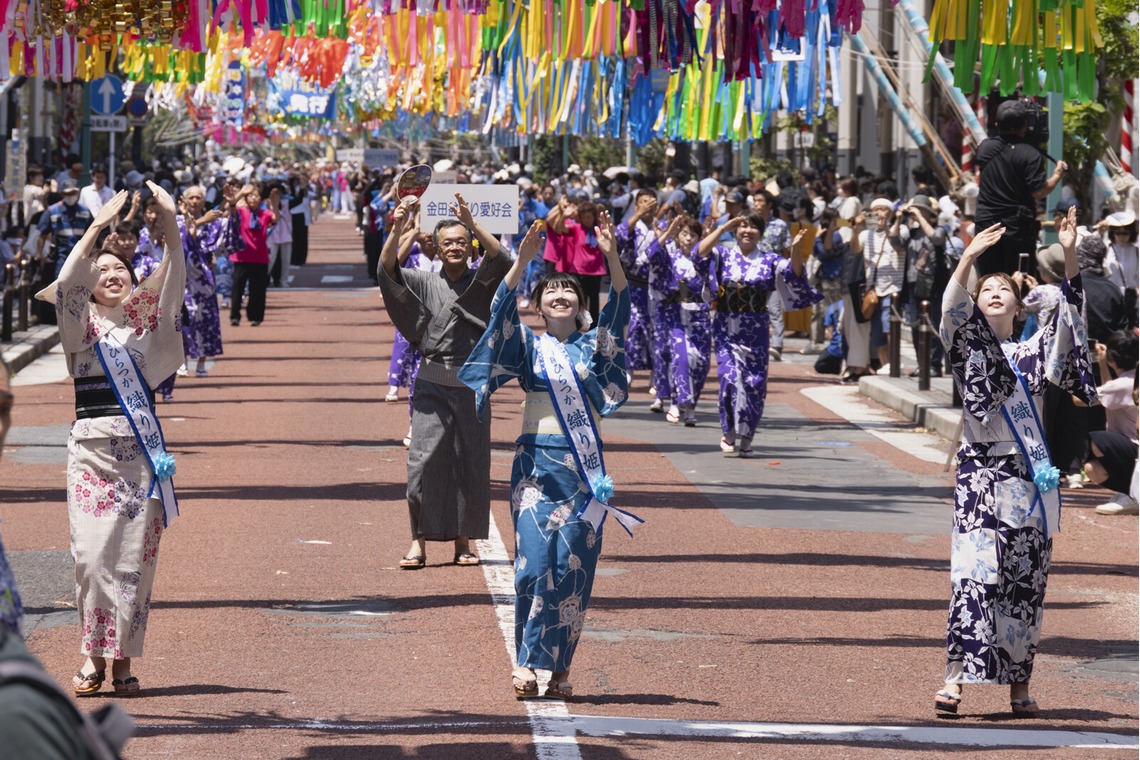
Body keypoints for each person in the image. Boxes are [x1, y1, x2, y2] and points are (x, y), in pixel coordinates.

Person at [458, 214, 638, 701]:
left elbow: (621, 307)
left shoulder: (594, 349)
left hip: (584, 475)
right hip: (535, 469)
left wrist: (612, 256)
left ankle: (559, 668)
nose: (560, 296)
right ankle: (525, 661)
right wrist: (521, 262)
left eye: (570, 291)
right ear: (537, 305)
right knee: (534, 565)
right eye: (550, 291)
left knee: (574, 568)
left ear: (581, 305)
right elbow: (497, 309)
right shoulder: (529, 348)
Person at [934, 208, 1096, 716]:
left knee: (1023, 582)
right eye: (986, 289)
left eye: (1004, 288)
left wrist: (1069, 253)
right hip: (980, 477)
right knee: (973, 576)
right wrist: (968, 257)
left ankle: (1018, 686)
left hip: (1027, 480)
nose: (995, 292)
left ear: (1019, 305)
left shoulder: (1034, 350)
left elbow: (1069, 314)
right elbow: (950, 312)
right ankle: (955, 679)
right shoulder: (969, 350)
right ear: (978, 304)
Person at [33, 183, 187, 699]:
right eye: (102, 272)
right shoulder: (80, 328)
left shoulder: (147, 324)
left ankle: (120, 660)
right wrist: (97, 228)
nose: (111, 275)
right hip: (91, 458)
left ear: (132, 277)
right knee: (91, 558)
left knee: (132, 563)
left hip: (139, 460)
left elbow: (174, 283)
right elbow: (67, 281)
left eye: (119, 268)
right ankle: (90, 652)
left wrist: (169, 225)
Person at [378, 194, 510, 568]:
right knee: (422, 461)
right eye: (446, 242)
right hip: (432, 382)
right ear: (435, 249)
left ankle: (463, 542)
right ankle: (417, 541)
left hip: (472, 384)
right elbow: (387, 269)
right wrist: (398, 227)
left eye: (460, 241)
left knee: (469, 462)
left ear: (470, 247)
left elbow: (503, 259)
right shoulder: (421, 281)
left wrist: (472, 221)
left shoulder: (484, 282)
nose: (454, 247)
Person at [697, 213, 820, 457]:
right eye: (743, 226)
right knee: (729, 379)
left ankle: (747, 436)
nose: (747, 231)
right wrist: (723, 228)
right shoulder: (723, 254)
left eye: (753, 227)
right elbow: (700, 252)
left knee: (753, 383)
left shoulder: (770, 260)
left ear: (760, 233)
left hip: (756, 328)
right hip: (726, 325)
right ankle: (729, 431)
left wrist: (795, 249)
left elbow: (794, 273)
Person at [973, 99, 1067, 277]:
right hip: (1017, 230)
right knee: (1017, 280)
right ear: (1025, 124)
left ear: (996, 124)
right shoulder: (1030, 154)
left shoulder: (985, 148)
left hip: (987, 225)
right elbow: (1039, 191)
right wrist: (1057, 175)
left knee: (987, 279)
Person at [646, 215, 713, 425]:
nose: (689, 238)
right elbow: (653, 253)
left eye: (694, 234)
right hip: (674, 315)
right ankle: (677, 403)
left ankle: (691, 404)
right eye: (684, 233)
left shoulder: (706, 259)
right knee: (680, 358)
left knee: (701, 364)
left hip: (699, 316)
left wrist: (710, 239)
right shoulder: (670, 257)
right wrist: (669, 230)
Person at [1081, 331, 1139, 515]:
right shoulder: (1130, 379)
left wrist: (1078, 368)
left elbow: (1080, 400)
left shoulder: (1123, 384)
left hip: (1135, 449)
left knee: (1099, 440)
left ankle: (1133, 495)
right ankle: (1129, 492)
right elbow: (1109, 393)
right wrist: (1103, 363)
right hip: (1132, 449)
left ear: (1114, 357)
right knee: (1092, 469)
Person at [177, 185, 229, 377]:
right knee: (182, 320)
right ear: (184, 200)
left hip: (203, 279)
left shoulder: (210, 223)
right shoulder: (177, 221)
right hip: (182, 279)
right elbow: (181, 245)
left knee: (205, 320)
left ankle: (201, 363)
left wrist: (230, 202)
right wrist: (197, 223)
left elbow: (221, 238)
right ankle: (181, 361)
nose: (195, 201)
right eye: (191, 197)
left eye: (198, 197)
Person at [229, 183, 280, 327]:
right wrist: (239, 194)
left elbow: (276, 218)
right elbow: (230, 208)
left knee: (257, 289)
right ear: (246, 198)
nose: (253, 198)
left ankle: (255, 316)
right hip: (242, 256)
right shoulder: (241, 211)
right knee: (237, 289)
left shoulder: (265, 213)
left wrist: (275, 203)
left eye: (256, 195)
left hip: (260, 256)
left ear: (261, 198)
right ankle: (235, 316)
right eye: (250, 195)